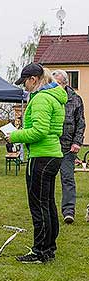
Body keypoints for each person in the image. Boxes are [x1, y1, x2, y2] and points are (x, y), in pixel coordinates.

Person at [9, 63, 67, 263]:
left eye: (25, 82)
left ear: (33, 79)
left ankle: (40, 251)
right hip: (52, 154)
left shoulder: (42, 98)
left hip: (42, 156)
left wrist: (14, 136)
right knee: (48, 203)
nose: (24, 86)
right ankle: (49, 248)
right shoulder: (53, 97)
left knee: (39, 205)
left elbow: (39, 131)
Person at [52, 69, 85, 224]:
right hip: (50, 146)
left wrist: (77, 142)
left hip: (68, 147)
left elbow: (81, 123)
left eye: (58, 83)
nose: (55, 86)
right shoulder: (49, 98)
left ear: (65, 84)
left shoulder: (75, 99)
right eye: (53, 83)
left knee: (67, 179)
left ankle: (68, 211)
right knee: (47, 180)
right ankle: (47, 209)